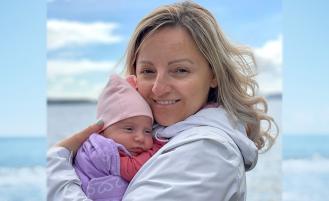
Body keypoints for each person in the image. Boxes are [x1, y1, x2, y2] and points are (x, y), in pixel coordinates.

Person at [47, 1, 278, 201]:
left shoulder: (207, 151)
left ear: (214, 75)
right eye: (148, 71)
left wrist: (55, 167)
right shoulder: (157, 136)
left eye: (179, 70)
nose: (158, 88)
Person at [73, 74, 164, 201]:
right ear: (103, 131)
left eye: (148, 131)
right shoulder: (101, 151)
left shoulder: (117, 145)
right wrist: (160, 145)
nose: (140, 138)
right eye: (129, 129)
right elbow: (133, 168)